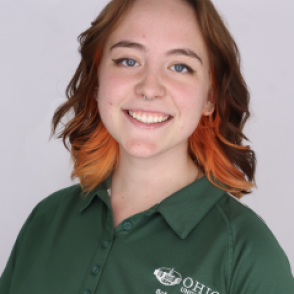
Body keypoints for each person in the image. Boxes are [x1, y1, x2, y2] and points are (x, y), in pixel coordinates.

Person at [0, 0, 293, 293]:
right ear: (97, 81)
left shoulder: (248, 254)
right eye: (128, 60)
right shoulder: (46, 219)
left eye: (180, 66)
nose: (149, 88)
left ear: (210, 97)